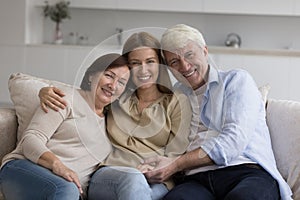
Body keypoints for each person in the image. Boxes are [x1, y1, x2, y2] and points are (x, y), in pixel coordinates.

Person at [139, 24, 293, 200]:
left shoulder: (236, 80)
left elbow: (233, 141)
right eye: (175, 62)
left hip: (246, 171)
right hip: (196, 179)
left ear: (204, 51)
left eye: (189, 55)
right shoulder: (176, 95)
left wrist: (176, 164)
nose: (185, 66)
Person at [38, 31, 192, 200]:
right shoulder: (117, 95)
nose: (143, 69)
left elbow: (176, 153)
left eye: (150, 61)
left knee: (142, 190)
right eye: (135, 63)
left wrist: (153, 169)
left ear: (160, 64)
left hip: (157, 180)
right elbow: (85, 95)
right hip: (111, 176)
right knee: (133, 180)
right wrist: (44, 90)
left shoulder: (176, 101)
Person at [0, 53, 130, 200]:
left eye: (121, 82)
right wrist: (58, 165)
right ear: (91, 76)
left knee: (67, 189)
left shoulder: (113, 121)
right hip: (23, 169)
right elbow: (30, 139)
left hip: (67, 189)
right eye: (109, 75)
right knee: (66, 188)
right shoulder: (64, 98)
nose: (113, 85)